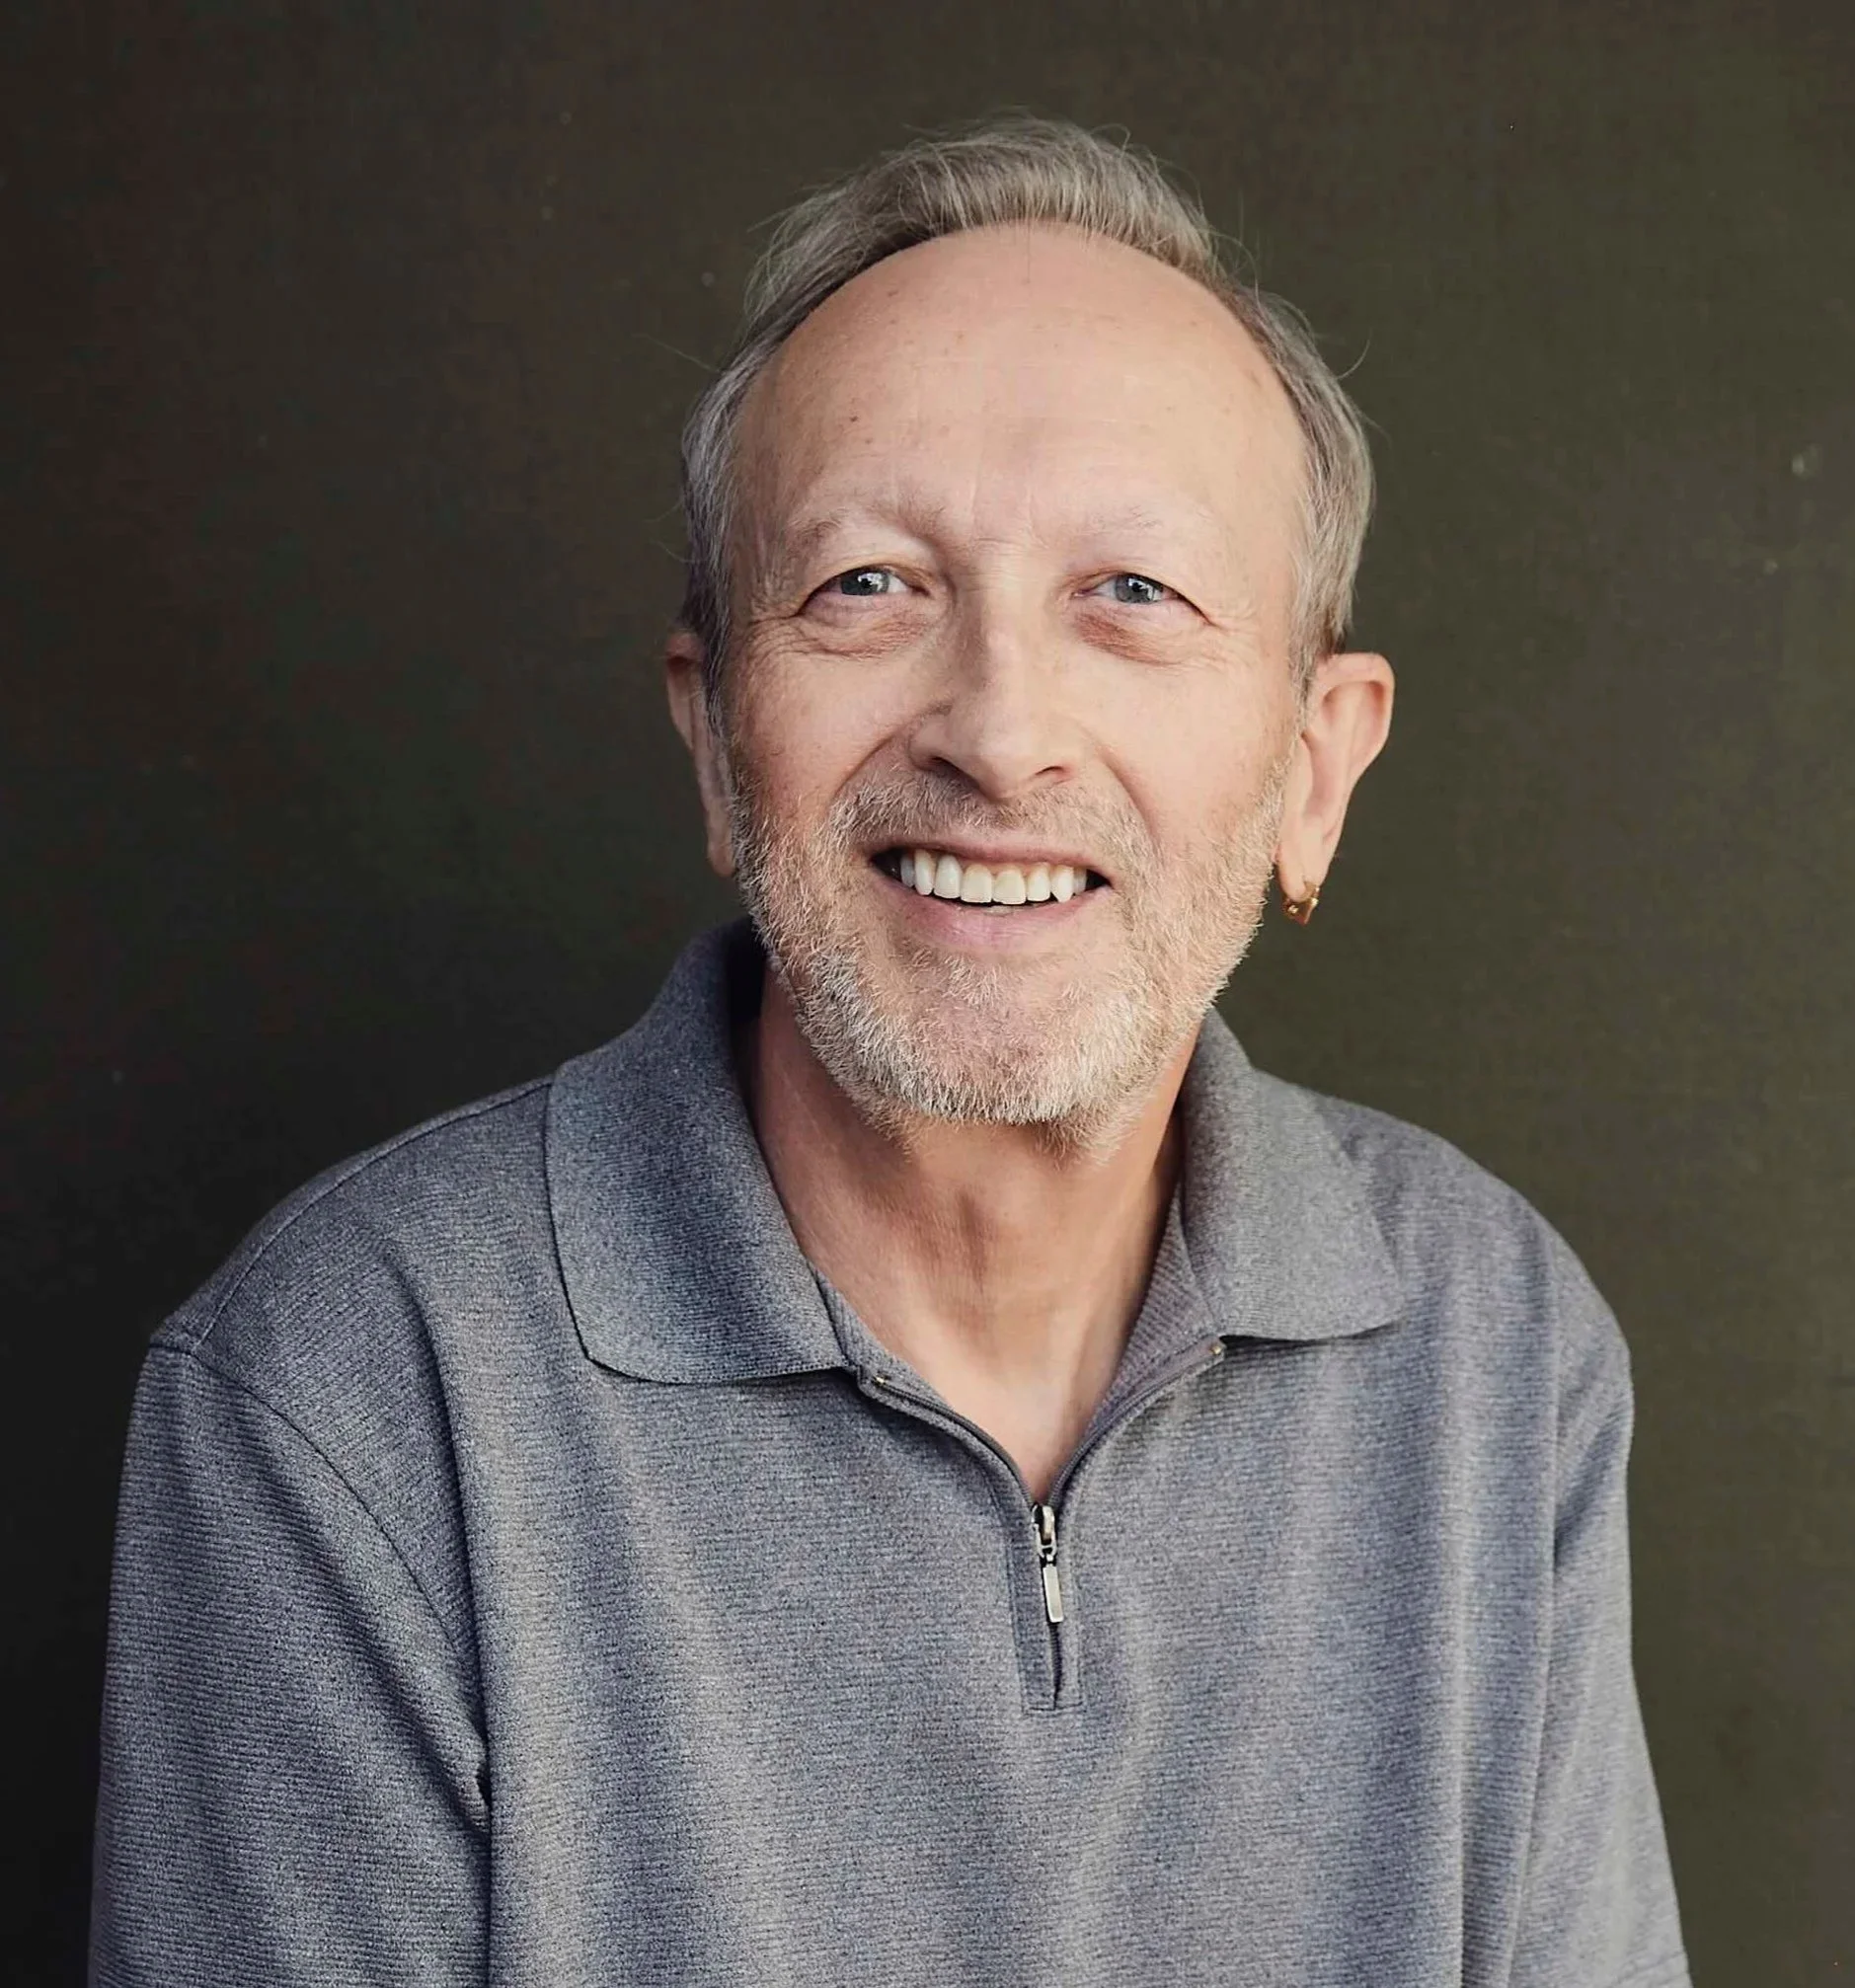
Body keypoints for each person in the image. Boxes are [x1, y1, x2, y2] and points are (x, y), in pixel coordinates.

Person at [91, 115, 1691, 1987]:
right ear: (714, 737)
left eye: (1133, 593)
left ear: (1313, 769)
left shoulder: (1492, 1346)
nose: (1000, 733)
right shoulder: (350, 1390)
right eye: (865, 584)